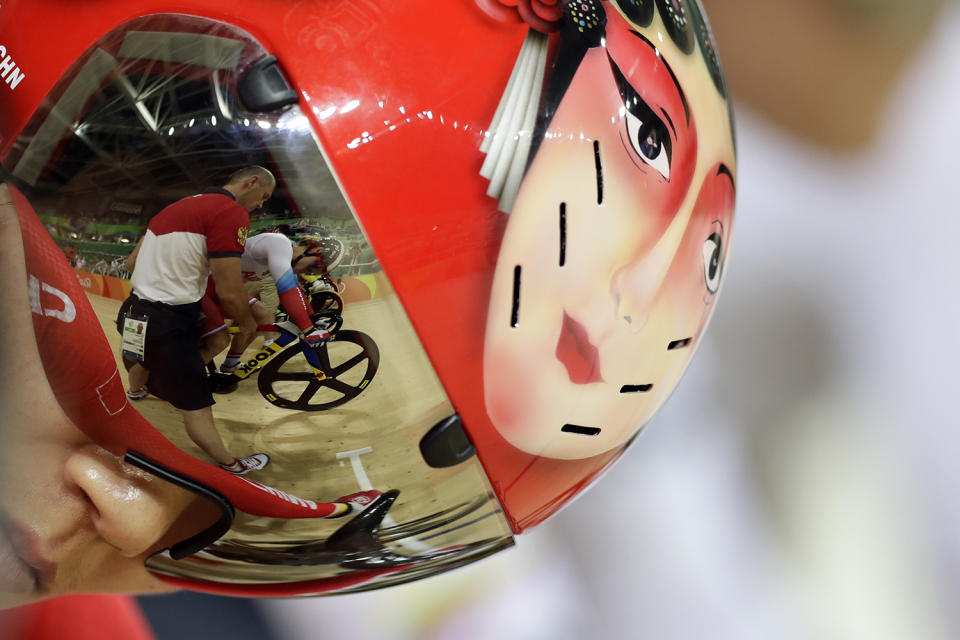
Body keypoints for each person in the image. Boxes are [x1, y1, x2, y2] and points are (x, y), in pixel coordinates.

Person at [115, 166, 276, 475]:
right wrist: (247, 323)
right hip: (170, 320)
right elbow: (229, 290)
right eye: (263, 197)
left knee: (145, 355)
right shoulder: (230, 211)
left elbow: (131, 262)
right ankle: (231, 465)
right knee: (198, 408)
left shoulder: (173, 207)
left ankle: (136, 393)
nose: (261, 205)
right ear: (251, 182)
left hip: (134, 309)